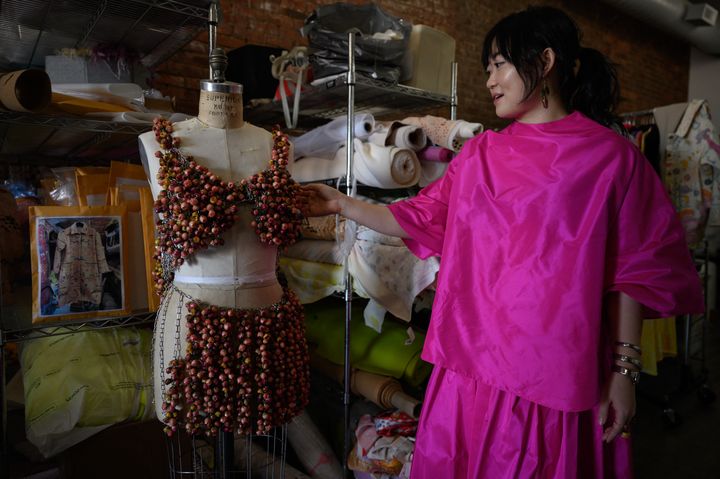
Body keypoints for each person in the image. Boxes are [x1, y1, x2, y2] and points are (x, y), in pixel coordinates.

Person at [299, 6, 704, 478]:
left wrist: (624, 373)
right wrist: (340, 204)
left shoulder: (611, 159)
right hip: (472, 368)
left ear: (545, 60)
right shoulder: (482, 154)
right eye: (487, 68)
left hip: (559, 375)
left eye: (499, 64)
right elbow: (416, 217)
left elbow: (633, 271)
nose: (490, 79)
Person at [139, 80, 310, 438]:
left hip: (269, 328)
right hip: (189, 326)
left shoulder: (277, 147)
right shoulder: (157, 142)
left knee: (268, 429)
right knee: (187, 427)